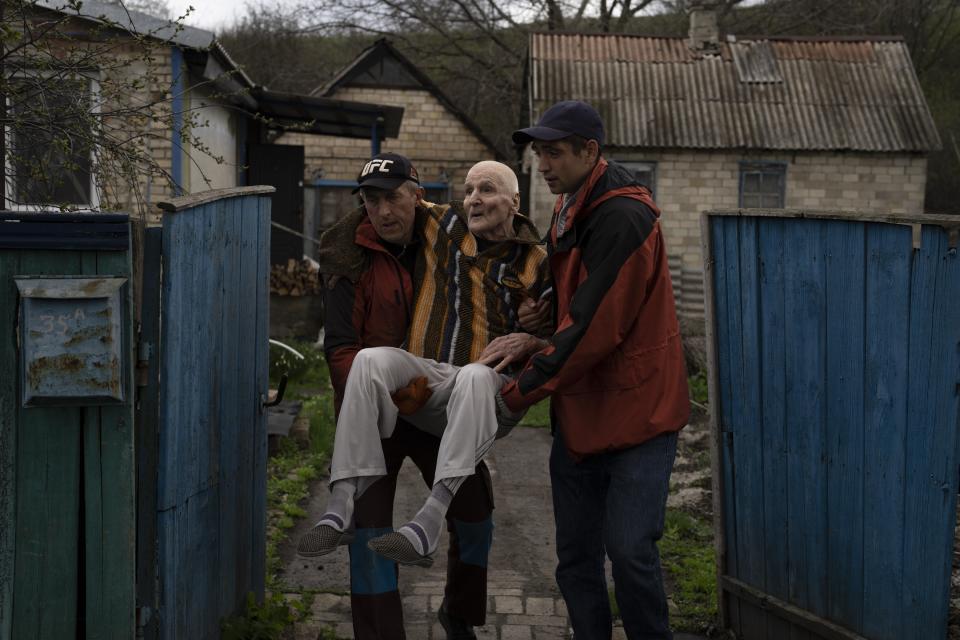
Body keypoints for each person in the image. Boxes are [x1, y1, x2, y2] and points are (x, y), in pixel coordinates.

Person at [478, 100, 690, 640]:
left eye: (553, 153)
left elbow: (595, 328)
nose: (542, 165)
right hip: (583, 412)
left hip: (638, 412)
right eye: (538, 153)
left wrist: (517, 393)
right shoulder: (572, 204)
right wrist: (540, 313)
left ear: (589, 151)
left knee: (630, 551)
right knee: (575, 557)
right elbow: (571, 290)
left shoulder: (623, 215)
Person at [306, 160, 551, 571]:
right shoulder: (443, 222)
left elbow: (569, 333)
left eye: (487, 190)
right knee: (370, 360)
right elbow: (380, 210)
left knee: (474, 375)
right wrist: (334, 249)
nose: (474, 199)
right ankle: (340, 501)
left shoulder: (537, 262)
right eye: (469, 190)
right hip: (433, 379)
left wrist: (535, 336)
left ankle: (429, 521)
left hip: (491, 393)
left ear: (515, 202)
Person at [300, 152, 497, 640]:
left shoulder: (451, 240)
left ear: (417, 194)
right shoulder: (346, 254)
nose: (383, 211)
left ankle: (459, 611)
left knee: (474, 511)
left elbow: (511, 253)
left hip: (436, 407)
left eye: (393, 197)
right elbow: (343, 350)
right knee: (368, 533)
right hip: (376, 414)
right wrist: (387, 401)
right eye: (371, 200)